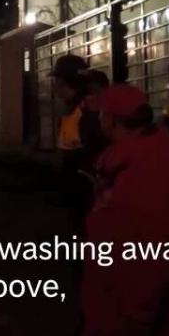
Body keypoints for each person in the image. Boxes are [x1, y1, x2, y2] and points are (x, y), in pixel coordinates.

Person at [83, 84, 169, 336]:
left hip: (134, 331)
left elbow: (151, 249)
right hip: (124, 312)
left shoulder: (145, 171)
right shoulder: (144, 157)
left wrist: (136, 320)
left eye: (101, 113)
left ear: (111, 120)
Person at [52, 54, 107, 237]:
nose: (54, 85)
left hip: (87, 189)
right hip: (75, 187)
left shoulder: (88, 108)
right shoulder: (71, 107)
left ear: (64, 81)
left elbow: (95, 148)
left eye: (56, 79)